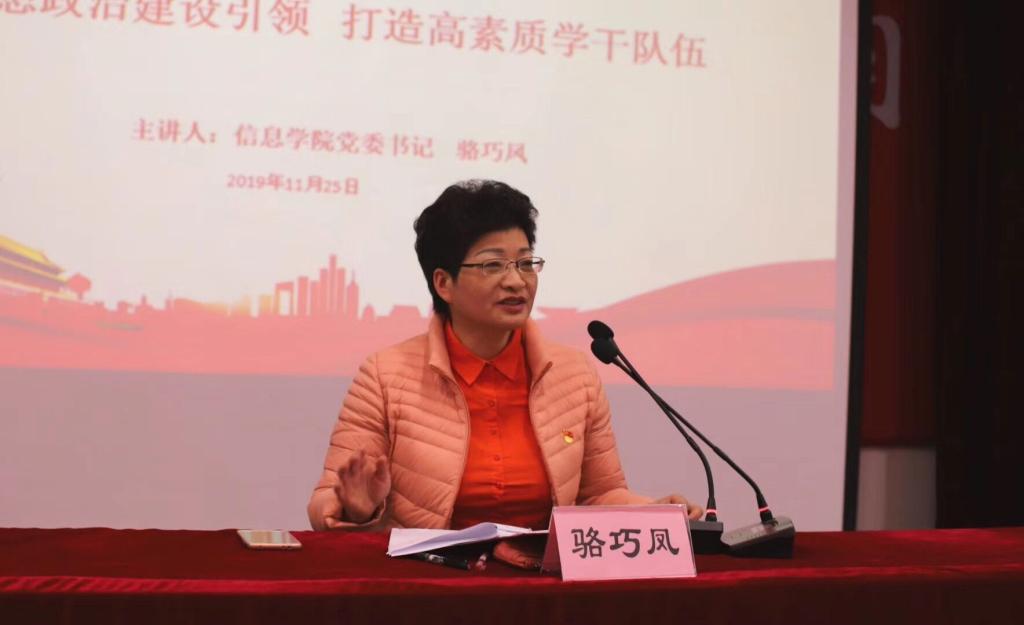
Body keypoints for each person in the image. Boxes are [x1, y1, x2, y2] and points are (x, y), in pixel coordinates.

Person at [308, 180, 702, 533]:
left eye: (526, 263)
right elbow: (326, 501)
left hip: (540, 584)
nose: (516, 281)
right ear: (444, 283)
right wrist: (356, 509)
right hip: (431, 580)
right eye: (492, 265)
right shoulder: (385, 376)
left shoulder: (574, 374)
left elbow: (598, 495)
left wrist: (651, 513)